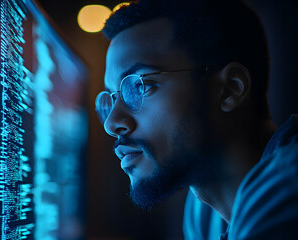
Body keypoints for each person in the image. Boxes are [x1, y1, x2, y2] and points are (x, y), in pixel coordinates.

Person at [94, 0, 298, 239]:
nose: (111, 124)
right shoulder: (204, 210)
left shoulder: (286, 190)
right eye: (113, 96)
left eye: (140, 86)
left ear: (230, 89)